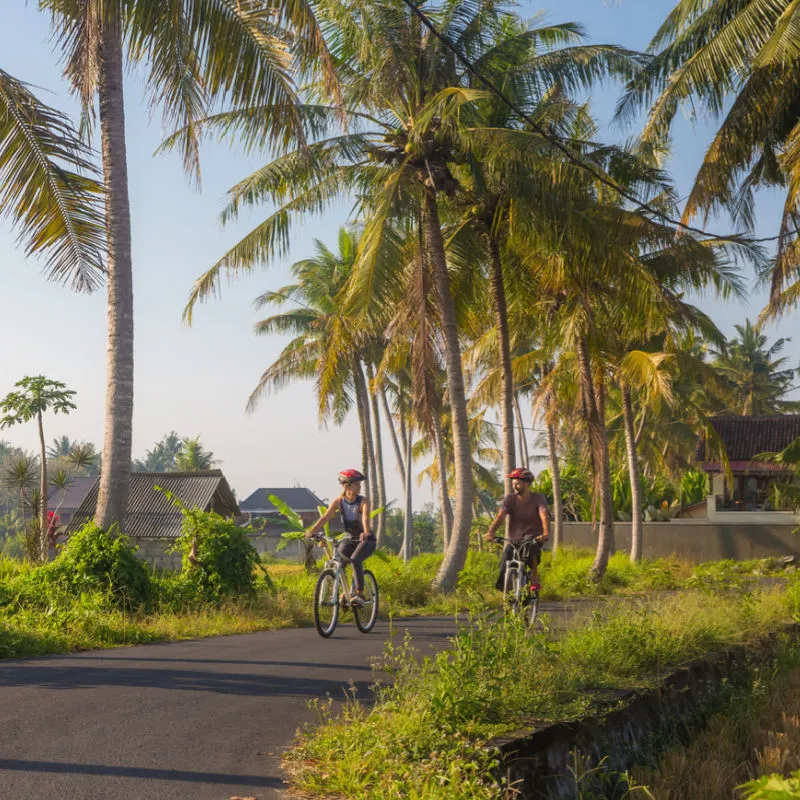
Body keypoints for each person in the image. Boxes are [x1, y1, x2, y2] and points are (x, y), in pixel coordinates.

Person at [306, 469, 375, 606]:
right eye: (357, 484)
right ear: (347, 485)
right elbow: (325, 517)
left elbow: (366, 518)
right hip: (349, 539)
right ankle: (347, 593)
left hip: (366, 540)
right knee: (340, 560)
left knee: (355, 559)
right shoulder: (338, 502)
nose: (360, 487)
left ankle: (360, 593)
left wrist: (366, 532)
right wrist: (311, 531)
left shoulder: (363, 501)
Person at [485, 467, 550, 593]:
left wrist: (546, 533)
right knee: (505, 560)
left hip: (534, 536)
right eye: (513, 483)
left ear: (527, 483)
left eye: (518, 483)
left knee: (531, 549)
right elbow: (500, 517)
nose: (515, 486)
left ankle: (534, 579)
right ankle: (505, 592)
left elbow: (544, 515)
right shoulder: (509, 499)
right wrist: (491, 531)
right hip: (515, 539)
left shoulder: (538, 498)